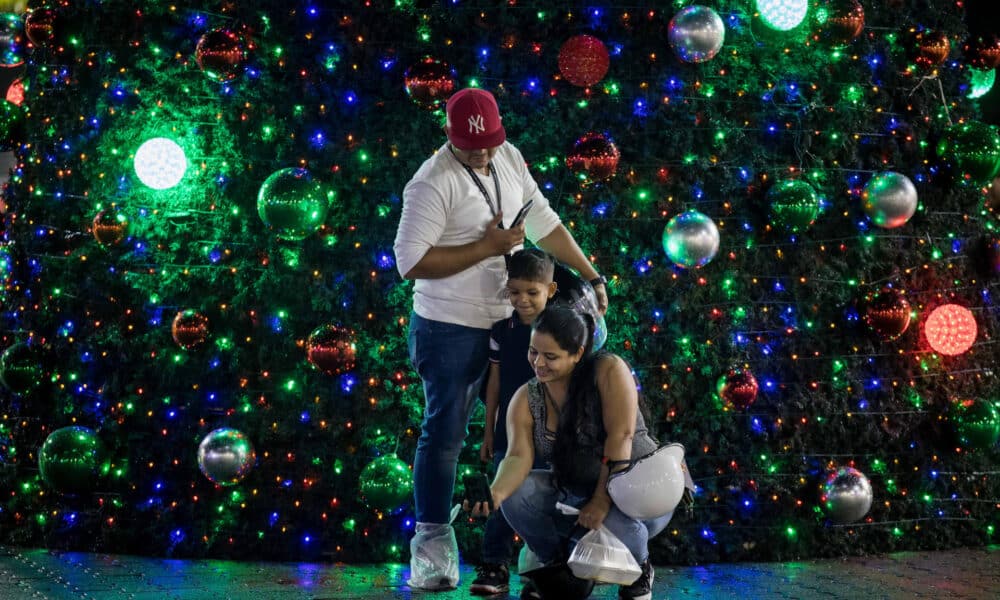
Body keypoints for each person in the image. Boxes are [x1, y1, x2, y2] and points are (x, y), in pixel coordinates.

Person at [393, 87, 609, 591]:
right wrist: (485, 247)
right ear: (450, 139)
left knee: (523, 437)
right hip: (449, 327)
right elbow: (410, 263)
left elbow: (543, 221)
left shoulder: (508, 156)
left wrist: (591, 276)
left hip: (513, 326)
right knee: (445, 432)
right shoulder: (431, 183)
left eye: (491, 143)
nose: (485, 154)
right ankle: (432, 547)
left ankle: (525, 549)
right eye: (473, 149)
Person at [479, 305, 676, 600]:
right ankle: (559, 566)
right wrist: (495, 493)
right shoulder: (527, 397)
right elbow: (518, 457)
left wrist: (600, 499)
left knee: (620, 529)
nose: (538, 363)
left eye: (551, 356)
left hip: (637, 493)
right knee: (516, 495)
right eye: (534, 352)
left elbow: (620, 436)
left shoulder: (609, 370)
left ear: (578, 353)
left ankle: (639, 568)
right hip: (575, 498)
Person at [469, 248, 557, 596]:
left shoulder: (561, 328)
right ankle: (494, 563)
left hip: (551, 430)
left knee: (551, 494)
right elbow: (494, 381)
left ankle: (549, 567)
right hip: (508, 428)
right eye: (514, 291)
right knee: (502, 494)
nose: (522, 300)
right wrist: (488, 429)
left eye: (532, 292)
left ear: (550, 290)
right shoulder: (501, 331)